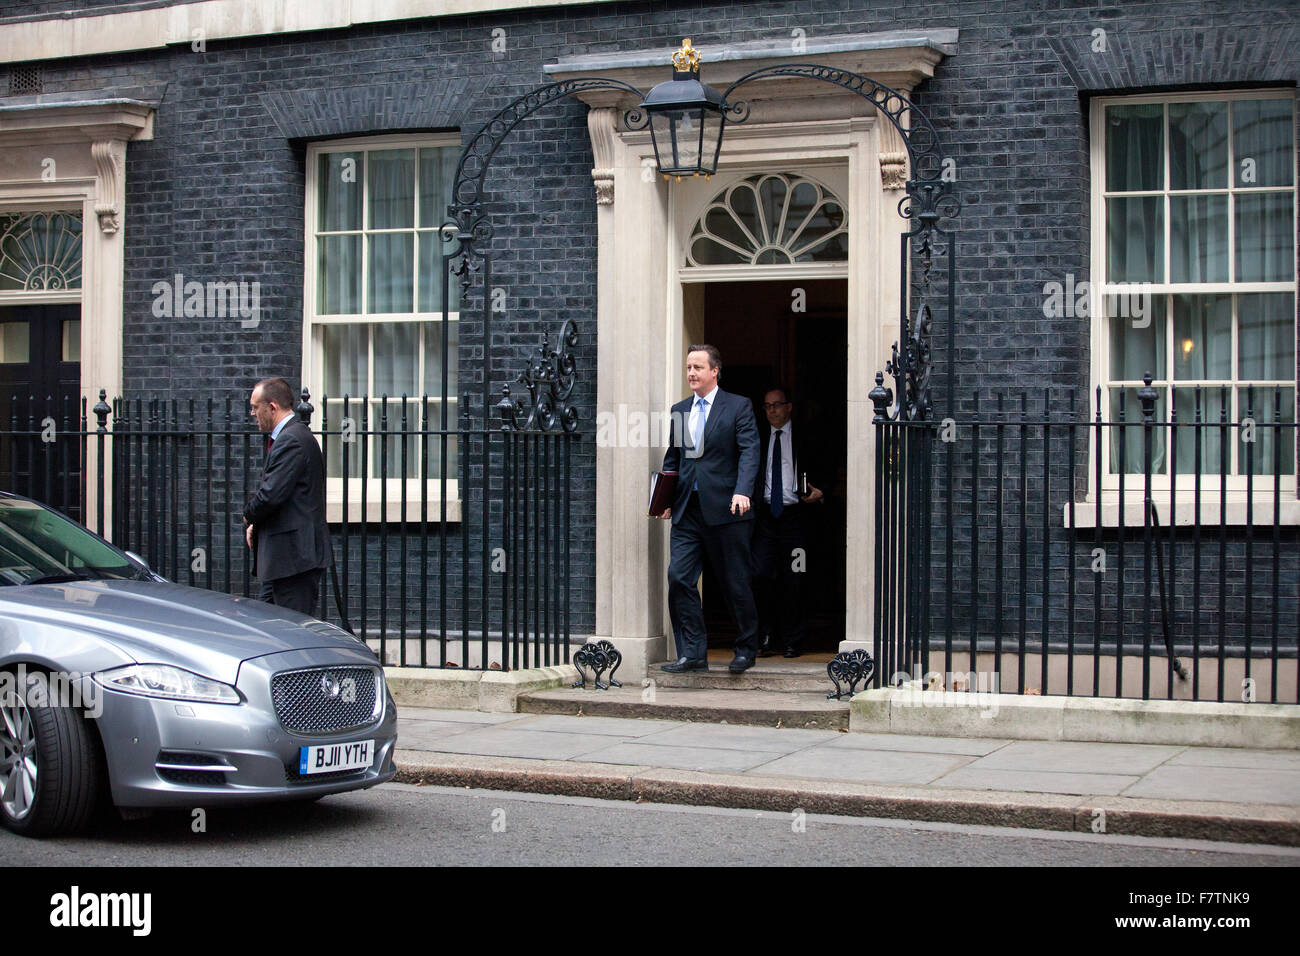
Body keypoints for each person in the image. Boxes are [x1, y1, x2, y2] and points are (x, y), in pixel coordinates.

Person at [656, 345, 761, 674]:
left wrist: (743, 491)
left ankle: (746, 649)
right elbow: (673, 460)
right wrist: (663, 500)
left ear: (715, 371)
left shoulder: (738, 406)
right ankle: (692, 652)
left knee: (735, 582)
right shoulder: (680, 410)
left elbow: (749, 451)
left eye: (698, 367)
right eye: (688, 367)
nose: (691, 373)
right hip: (688, 511)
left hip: (728, 510)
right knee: (679, 578)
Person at [243, 377, 331, 615]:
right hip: (285, 561)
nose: (252, 413)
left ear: (271, 407)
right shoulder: (292, 436)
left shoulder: (292, 440)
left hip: (294, 560)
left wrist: (249, 516)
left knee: (293, 635)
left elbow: (271, 495)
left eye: (255, 407)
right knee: (266, 628)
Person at [751, 387, 823, 659]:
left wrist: (822, 491)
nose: (772, 410)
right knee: (760, 575)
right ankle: (765, 636)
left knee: (795, 577)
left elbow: (826, 465)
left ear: (789, 407)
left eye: (777, 405)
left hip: (796, 521)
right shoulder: (757, 437)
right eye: (767, 406)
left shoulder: (807, 436)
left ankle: (793, 639)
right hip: (765, 519)